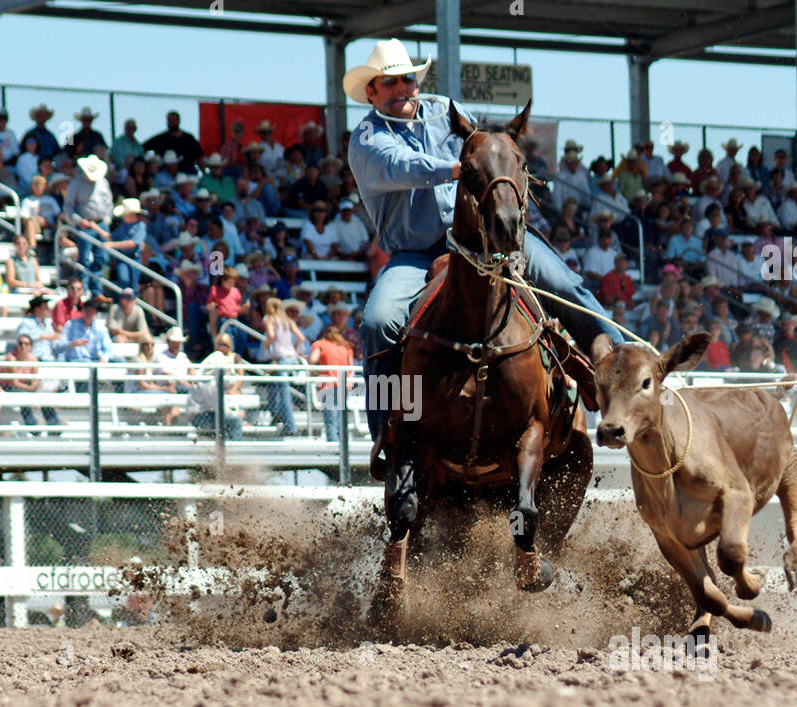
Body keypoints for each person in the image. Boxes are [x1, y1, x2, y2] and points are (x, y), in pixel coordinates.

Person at [344, 39, 621, 441]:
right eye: (390, 83)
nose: (402, 88)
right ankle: (388, 434)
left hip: (485, 241)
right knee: (378, 322)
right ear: (371, 92)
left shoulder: (445, 111)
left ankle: (618, 377)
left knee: (565, 285)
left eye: (407, 79)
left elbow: (486, 147)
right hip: (416, 255)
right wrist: (460, 169)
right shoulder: (367, 138)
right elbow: (399, 166)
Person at [62, 156, 114, 296]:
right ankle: (82, 289)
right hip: (84, 224)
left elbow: (109, 203)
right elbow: (68, 206)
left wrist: (107, 219)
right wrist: (78, 220)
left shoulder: (103, 183)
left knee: (101, 258)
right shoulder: (75, 184)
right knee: (84, 258)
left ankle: (97, 291)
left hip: (101, 224)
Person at [188, 332, 245, 439]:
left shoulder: (209, 379)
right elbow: (218, 405)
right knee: (235, 421)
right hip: (202, 416)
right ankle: (236, 450)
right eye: (220, 344)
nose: (222, 348)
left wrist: (233, 390)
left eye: (225, 345)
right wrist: (235, 414)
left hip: (212, 412)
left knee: (232, 419)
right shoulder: (209, 383)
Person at [261, 295, 304, 436]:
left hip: (281, 358)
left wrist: (265, 346)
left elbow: (271, 336)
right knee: (274, 385)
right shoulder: (288, 320)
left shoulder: (269, 319)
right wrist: (295, 349)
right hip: (291, 357)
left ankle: (290, 425)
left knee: (283, 391)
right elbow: (301, 338)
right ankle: (276, 415)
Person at [2, 334, 60, 427]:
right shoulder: (11, 359)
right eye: (20, 343)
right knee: (23, 395)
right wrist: (30, 388)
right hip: (8, 387)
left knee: (44, 395)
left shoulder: (33, 359)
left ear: (31, 347)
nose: (23, 346)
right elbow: (14, 382)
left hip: (25, 386)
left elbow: (35, 379)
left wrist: (33, 386)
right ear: (17, 345)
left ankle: (54, 423)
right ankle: (32, 424)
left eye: (26, 344)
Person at [310, 324, 355, 442]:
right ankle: (342, 444)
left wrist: (315, 371)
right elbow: (350, 367)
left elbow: (313, 360)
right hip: (344, 385)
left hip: (328, 384)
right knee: (341, 417)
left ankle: (334, 445)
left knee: (330, 418)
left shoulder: (320, 344)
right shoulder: (346, 347)